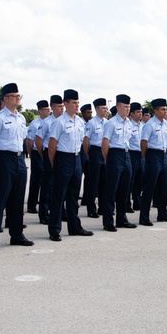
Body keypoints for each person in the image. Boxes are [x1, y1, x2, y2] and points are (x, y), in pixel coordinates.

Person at [0, 83, 32, 251]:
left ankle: (17, 234)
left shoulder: (21, 118)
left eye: (19, 95)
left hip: (19, 159)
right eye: (14, 96)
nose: (18, 98)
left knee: (18, 200)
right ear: (5, 98)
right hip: (4, 159)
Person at [47, 89, 93, 240]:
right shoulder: (59, 122)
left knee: (73, 196)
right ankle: (54, 229)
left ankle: (74, 227)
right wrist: (56, 164)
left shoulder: (80, 121)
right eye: (74, 103)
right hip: (63, 159)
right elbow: (52, 146)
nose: (77, 105)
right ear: (65, 104)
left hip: (76, 158)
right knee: (58, 196)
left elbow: (80, 142)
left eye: (78, 102)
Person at [100, 94, 136, 231]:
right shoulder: (111, 123)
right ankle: (108, 221)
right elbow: (105, 143)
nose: (128, 109)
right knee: (111, 189)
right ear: (118, 107)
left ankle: (122, 219)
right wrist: (107, 159)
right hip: (114, 155)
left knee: (124, 189)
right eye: (125, 107)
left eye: (129, 107)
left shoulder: (128, 122)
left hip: (126, 155)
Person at [139, 99, 167, 226]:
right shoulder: (150, 125)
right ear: (155, 111)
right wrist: (147, 157)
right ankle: (144, 216)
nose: (165, 111)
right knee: (150, 187)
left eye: (166, 109)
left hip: (164, 154)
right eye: (162, 109)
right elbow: (143, 143)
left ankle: (162, 213)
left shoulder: (166, 125)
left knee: (164, 186)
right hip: (153, 155)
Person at [37, 95, 64, 225]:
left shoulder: (65, 120)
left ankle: (60, 212)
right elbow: (38, 140)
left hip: (61, 155)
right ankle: (43, 213)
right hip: (49, 152)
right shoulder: (46, 122)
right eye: (59, 106)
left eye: (63, 106)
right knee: (47, 184)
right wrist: (44, 155)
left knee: (60, 185)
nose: (62, 109)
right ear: (52, 107)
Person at [82, 97, 108, 218]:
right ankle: (91, 209)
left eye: (106, 108)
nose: (105, 110)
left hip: (105, 152)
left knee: (104, 182)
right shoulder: (91, 123)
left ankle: (102, 207)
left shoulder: (107, 123)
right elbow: (86, 141)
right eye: (103, 108)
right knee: (93, 182)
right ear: (97, 109)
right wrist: (89, 155)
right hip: (95, 151)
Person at [26, 99, 49, 214]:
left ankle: (45, 202)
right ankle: (32, 204)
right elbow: (29, 141)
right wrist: (31, 155)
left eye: (49, 109)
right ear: (39, 111)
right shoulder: (35, 124)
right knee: (36, 179)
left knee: (47, 179)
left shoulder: (51, 122)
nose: (48, 111)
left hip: (47, 152)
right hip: (36, 153)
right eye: (45, 110)